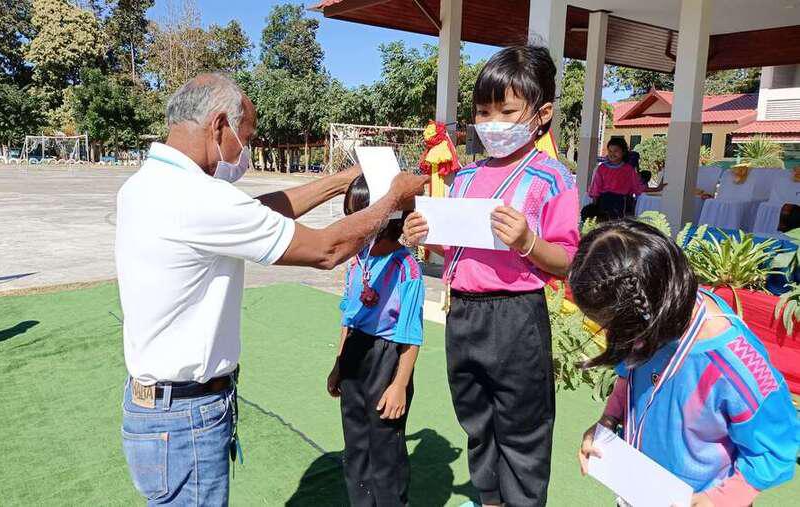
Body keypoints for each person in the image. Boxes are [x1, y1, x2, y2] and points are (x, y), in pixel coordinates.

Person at [115, 74, 427, 506]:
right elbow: (327, 249)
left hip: (158, 409)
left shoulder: (148, 185)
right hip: (185, 416)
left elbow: (255, 212)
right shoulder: (196, 198)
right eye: (246, 138)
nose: (245, 151)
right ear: (219, 126)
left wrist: (340, 182)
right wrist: (392, 199)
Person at [403, 45, 580, 507]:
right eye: (484, 112)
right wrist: (423, 235)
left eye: (508, 111)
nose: (493, 123)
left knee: (523, 426)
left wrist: (528, 241)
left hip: (516, 315)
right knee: (476, 419)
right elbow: (454, 247)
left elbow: (566, 259)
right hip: (463, 314)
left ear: (542, 114)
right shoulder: (463, 178)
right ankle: (490, 499)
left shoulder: (553, 178)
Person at [572, 220, 799, 506]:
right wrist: (607, 422)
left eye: (613, 327)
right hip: (640, 491)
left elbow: (777, 449)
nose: (612, 336)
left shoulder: (735, 363)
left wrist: (718, 500)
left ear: (648, 316)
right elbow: (627, 375)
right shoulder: (649, 311)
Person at [326, 175, 424, 506]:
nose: (354, 225)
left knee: (385, 449)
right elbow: (348, 315)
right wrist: (339, 364)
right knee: (356, 446)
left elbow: (410, 333)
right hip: (355, 354)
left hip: (388, 359)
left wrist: (399, 385)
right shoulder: (359, 259)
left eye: (361, 216)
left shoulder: (406, 267)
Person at [588, 138, 661, 219]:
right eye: (610, 151)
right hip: (603, 202)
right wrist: (594, 206)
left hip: (620, 203)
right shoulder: (602, 168)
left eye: (616, 151)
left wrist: (657, 189)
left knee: (616, 224)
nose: (612, 154)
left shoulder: (629, 170)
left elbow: (638, 188)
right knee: (602, 224)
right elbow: (596, 188)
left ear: (623, 152)